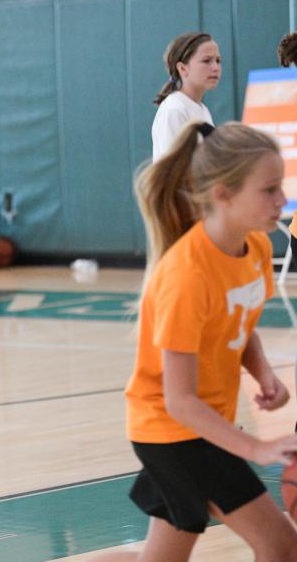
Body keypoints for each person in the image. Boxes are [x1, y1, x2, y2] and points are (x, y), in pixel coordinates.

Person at [96, 121, 297, 561]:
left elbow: (239, 326)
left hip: (204, 425)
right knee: (281, 545)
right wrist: (257, 448)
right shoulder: (186, 275)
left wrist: (262, 372)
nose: (282, 200)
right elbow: (180, 400)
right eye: (268, 190)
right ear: (222, 194)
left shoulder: (256, 249)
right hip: (174, 432)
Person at [151, 33, 220, 161]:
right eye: (206, 61)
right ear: (182, 68)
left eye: (218, 61)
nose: (215, 67)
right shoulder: (175, 110)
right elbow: (172, 170)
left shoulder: (202, 109)